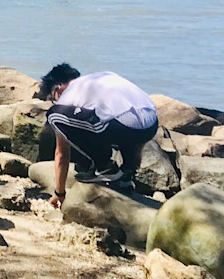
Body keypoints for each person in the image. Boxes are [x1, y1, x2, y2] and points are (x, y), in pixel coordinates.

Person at [40, 64, 159, 208]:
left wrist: (60, 193)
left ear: (57, 90)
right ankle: (127, 174)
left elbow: (62, 153)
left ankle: (105, 167)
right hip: (151, 125)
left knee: (54, 116)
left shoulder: (69, 95)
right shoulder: (104, 77)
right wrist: (132, 163)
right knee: (112, 118)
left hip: (124, 127)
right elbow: (134, 124)